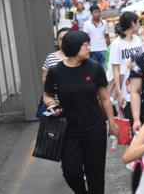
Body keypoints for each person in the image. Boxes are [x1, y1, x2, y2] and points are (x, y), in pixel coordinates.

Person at [43, 30, 119, 194]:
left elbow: (105, 98)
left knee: (95, 174)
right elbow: (47, 95)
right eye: (86, 45)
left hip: (95, 127)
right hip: (69, 130)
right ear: (74, 47)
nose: (89, 48)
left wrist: (112, 124)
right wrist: (51, 105)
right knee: (71, 172)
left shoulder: (94, 68)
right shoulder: (55, 71)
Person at [109, 11, 144, 113]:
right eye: (137, 22)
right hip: (126, 91)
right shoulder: (116, 44)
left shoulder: (138, 40)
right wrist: (119, 93)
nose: (138, 25)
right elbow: (115, 70)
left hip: (141, 87)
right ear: (132, 24)